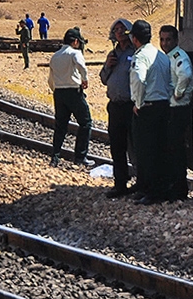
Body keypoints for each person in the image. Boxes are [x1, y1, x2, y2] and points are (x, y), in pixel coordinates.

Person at [129, 19, 172, 204]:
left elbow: (138, 79)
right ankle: (155, 188)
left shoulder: (140, 57)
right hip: (163, 105)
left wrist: (138, 102)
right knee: (160, 149)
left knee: (146, 151)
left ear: (134, 38)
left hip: (148, 107)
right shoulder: (161, 56)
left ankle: (151, 191)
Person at [99, 18, 136, 198]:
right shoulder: (112, 54)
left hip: (132, 106)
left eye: (122, 29)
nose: (119, 32)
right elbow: (103, 79)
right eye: (116, 30)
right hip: (115, 106)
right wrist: (107, 66)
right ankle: (120, 183)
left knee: (135, 146)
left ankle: (141, 182)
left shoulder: (135, 53)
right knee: (117, 146)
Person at [48, 26, 92, 167]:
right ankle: (80, 156)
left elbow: (50, 80)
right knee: (85, 123)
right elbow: (82, 67)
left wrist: (56, 89)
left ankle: (55, 157)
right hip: (73, 91)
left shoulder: (55, 56)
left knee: (60, 126)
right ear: (74, 42)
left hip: (59, 92)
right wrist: (84, 80)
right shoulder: (75, 53)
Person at [160, 24, 193, 202]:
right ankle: (172, 186)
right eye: (162, 39)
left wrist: (178, 93)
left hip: (178, 109)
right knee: (171, 150)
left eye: (168, 39)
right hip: (172, 108)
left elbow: (185, 75)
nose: (165, 43)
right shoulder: (168, 57)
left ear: (176, 40)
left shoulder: (178, 56)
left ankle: (179, 189)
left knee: (176, 150)